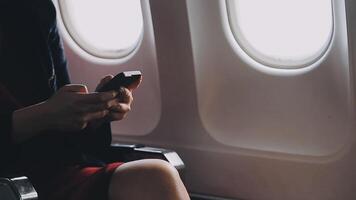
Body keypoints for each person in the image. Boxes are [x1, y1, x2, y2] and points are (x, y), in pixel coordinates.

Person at [0, 0, 190, 199]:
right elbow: (49, 113)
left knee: (157, 177)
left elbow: (61, 114)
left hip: (51, 170)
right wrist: (43, 116)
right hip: (8, 179)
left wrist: (94, 113)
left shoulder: (33, 10)